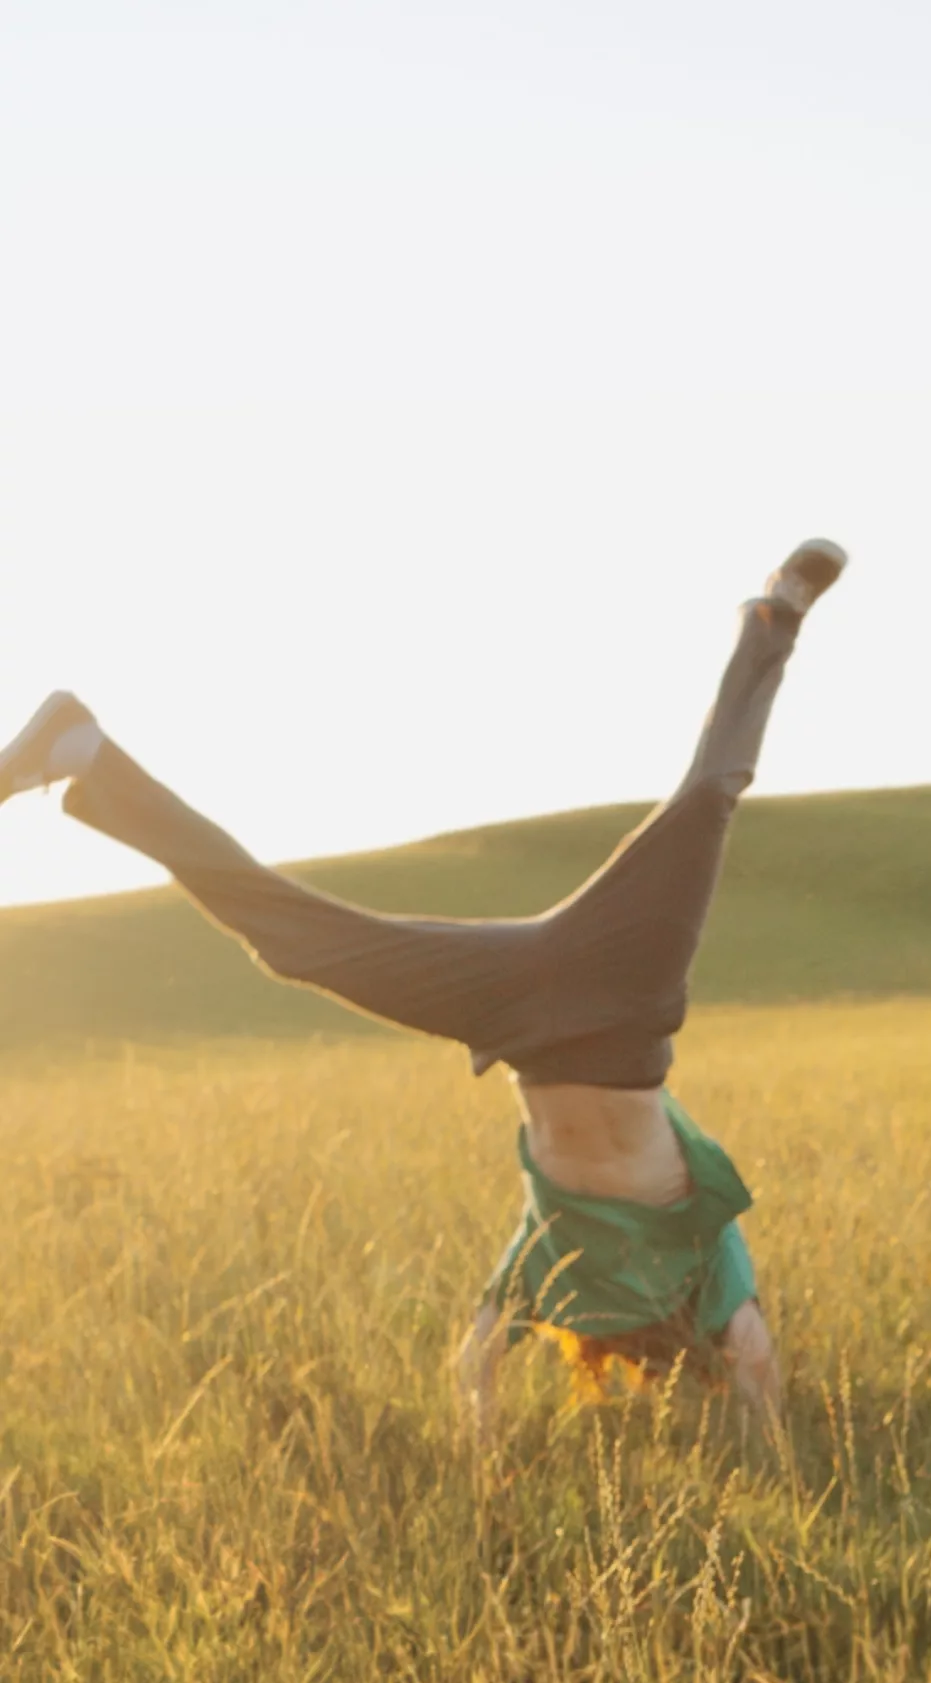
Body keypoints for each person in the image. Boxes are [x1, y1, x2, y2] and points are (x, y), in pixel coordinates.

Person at [0, 539, 848, 1441]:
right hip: (622, 997)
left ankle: (86, 752)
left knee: (300, 942)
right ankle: (778, 612)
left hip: (513, 1012)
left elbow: (476, 1355)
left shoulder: (557, 1258)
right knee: (706, 801)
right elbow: (755, 1360)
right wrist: (769, 1447)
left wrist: (486, 1468)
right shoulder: (703, 1267)